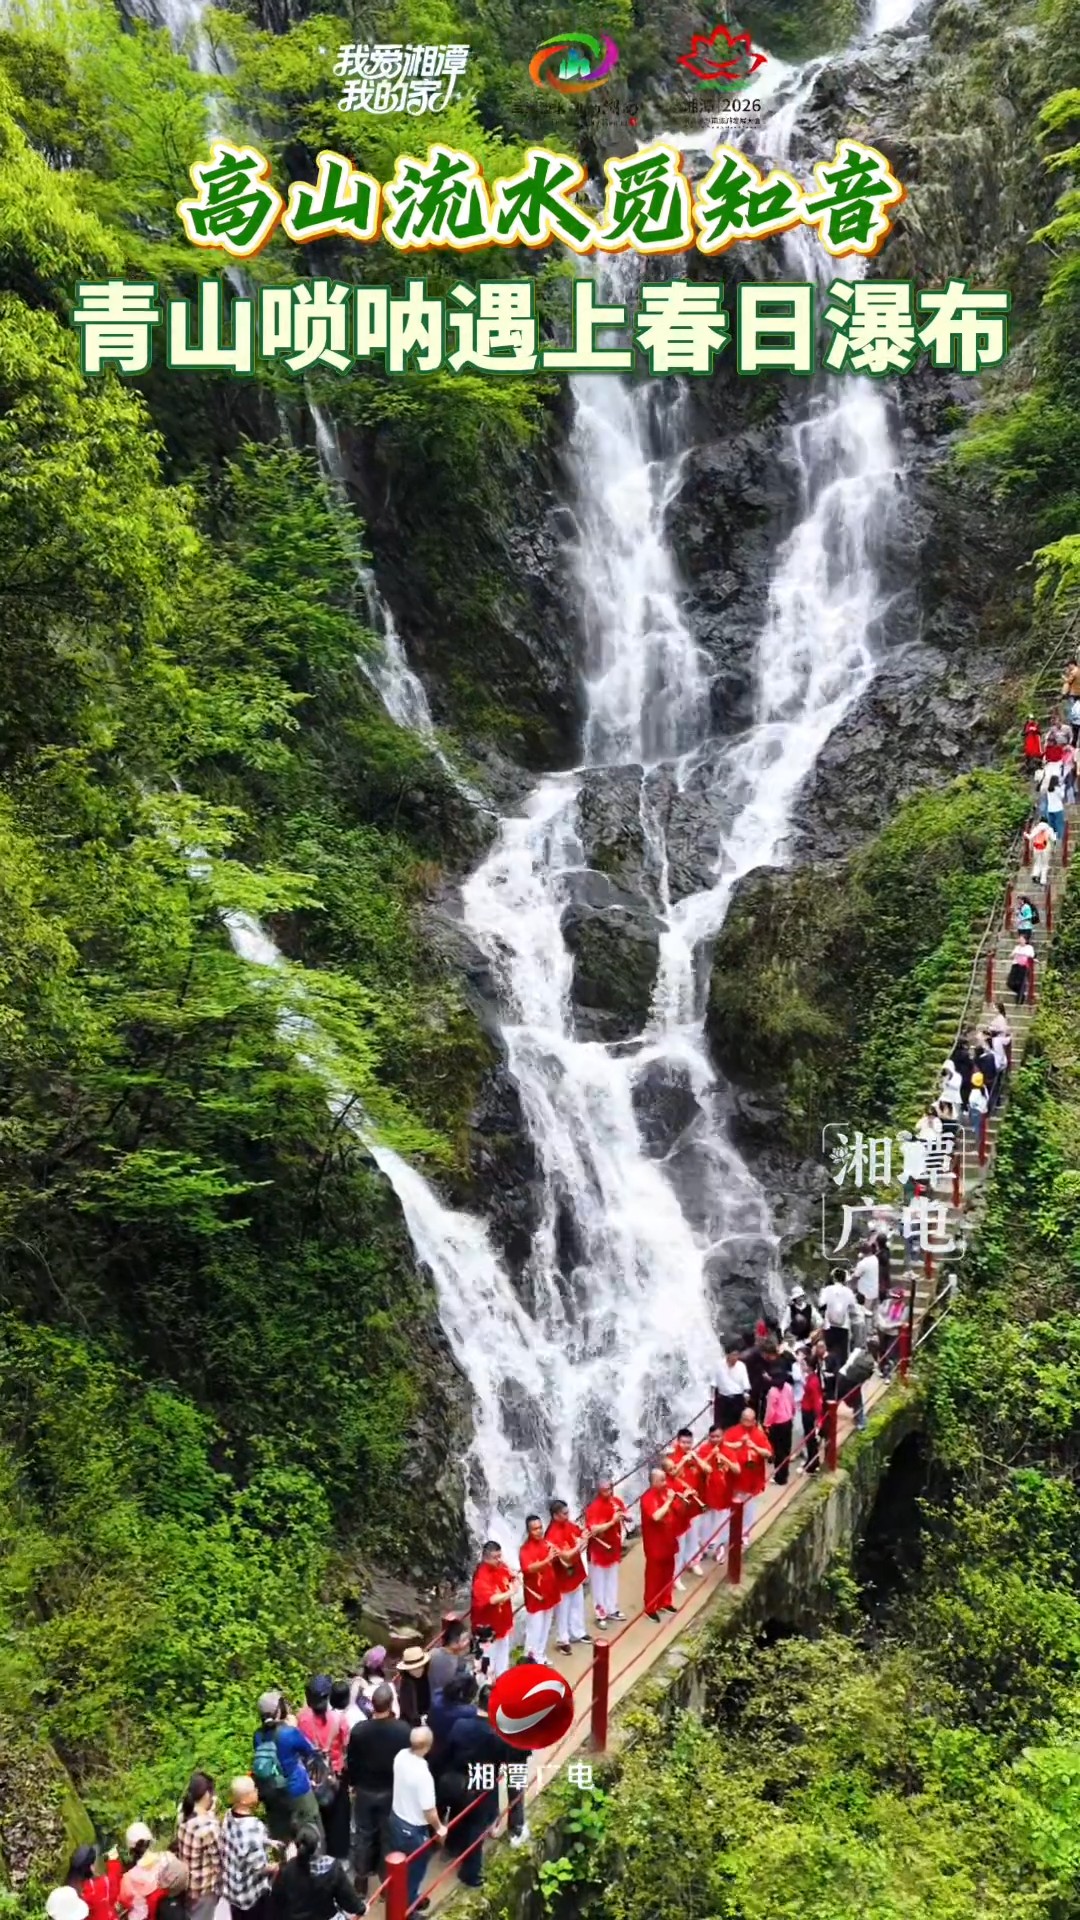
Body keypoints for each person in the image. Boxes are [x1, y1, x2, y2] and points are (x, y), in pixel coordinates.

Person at [346, 1681, 410, 1890]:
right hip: (391, 1790)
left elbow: (352, 1761)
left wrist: (353, 1783)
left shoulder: (359, 1731)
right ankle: (386, 1881)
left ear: (372, 1705)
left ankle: (361, 1879)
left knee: (363, 1835)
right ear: (391, 1703)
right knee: (387, 1836)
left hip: (365, 1790)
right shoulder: (402, 1730)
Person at [387, 1729, 446, 1915]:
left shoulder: (400, 1756)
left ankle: (405, 1899)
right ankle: (408, 1908)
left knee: (400, 1864)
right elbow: (429, 1810)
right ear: (428, 1746)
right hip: (413, 1829)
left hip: (396, 1818)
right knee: (415, 1870)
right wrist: (439, 1828)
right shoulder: (423, 1775)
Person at [252, 1692, 323, 1844]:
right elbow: (310, 1751)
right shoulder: (289, 1732)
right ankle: (315, 1863)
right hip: (297, 1791)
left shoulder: (258, 1736)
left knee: (283, 1839)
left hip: (272, 1794)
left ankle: (287, 1864)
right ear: (278, 1710)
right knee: (311, 1831)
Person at [270, 1824, 365, 1920]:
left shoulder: (286, 1870)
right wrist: (361, 1909)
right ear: (318, 1845)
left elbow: (277, 1901)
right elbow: (348, 1899)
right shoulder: (331, 1867)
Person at [221, 1777, 273, 1920]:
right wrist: (279, 1866)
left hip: (234, 1890)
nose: (257, 1791)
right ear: (244, 1800)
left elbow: (243, 1844)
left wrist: (268, 1842)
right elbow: (260, 1867)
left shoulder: (228, 1816)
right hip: (251, 1895)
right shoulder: (253, 1827)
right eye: (253, 1790)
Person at [545, 1500, 592, 1653]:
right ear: (555, 1515)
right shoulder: (551, 1535)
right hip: (562, 1577)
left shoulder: (569, 1525)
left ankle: (578, 1632)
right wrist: (579, 1545)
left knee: (577, 1604)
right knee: (563, 1610)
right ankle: (562, 1639)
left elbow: (580, 1533)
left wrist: (584, 1535)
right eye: (564, 1514)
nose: (568, 1516)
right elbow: (564, 1556)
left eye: (567, 1512)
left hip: (575, 1572)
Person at [723, 1407, 772, 1545]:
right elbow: (722, 1445)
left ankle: (745, 1533)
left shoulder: (758, 1434)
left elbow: (768, 1453)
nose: (747, 1423)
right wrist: (737, 1445)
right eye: (744, 1420)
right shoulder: (733, 1432)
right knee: (732, 1506)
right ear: (741, 1419)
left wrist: (754, 1447)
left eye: (750, 1421)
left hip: (752, 1478)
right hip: (735, 1477)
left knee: (749, 1507)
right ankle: (730, 1534)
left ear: (754, 1421)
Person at [175, 1773, 221, 1920]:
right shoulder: (209, 1826)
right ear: (208, 1794)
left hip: (187, 1886)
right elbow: (218, 1861)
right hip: (204, 1890)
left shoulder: (183, 1815)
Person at [584, 1476, 628, 1625]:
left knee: (612, 1580)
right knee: (598, 1584)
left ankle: (612, 1609)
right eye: (604, 1490)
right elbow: (593, 1529)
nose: (608, 1493)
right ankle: (600, 1614)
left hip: (613, 1549)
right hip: (598, 1552)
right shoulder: (593, 1508)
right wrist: (612, 1522)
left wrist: (624, 1517)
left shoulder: (617, 1502)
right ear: (599, 1491)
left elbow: (626, 1515)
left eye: (609, 1489)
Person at [470, 1540, 516, 1679]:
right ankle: (486, 1692)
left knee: (503, 1657)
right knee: (486, 1664)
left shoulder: (500, 1567)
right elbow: (492, 1599)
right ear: (485, 1558)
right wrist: (511, 1592)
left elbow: (510, 1575)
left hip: (502, 1623)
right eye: (495, 1557)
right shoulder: (481, 1577)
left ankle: (503, 1682)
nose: (499, 1560)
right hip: (486, 1630)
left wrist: (514, 1578)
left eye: (499, 1556)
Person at [519, 1514, 559, 1661]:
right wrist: (547, 1559)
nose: (539, 1531)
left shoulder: (546, 1544)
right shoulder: (525, 1550)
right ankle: (530, 1658)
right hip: (535, 1595)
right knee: (534, 1629)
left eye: (540, 1527)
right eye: (535, 1529)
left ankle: (540, 1654)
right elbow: (528, 1568)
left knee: (546, 1625)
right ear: (529, 1531)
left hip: (549, 1591)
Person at [640, 1467, 679, 1619]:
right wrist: (669, 1501)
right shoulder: (647, 1498)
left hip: (669, 1540)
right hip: (655, 1545)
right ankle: (650, 1608)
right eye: (662, 1480)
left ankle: (665, 1601)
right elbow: (656, 1516)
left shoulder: (665, 1492)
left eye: (665, 1479)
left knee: (668, 1574)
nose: (665, 1483)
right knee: (653, 1578)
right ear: (654, 1482)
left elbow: (676, 1510)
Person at [670, 1428, 708, 1578]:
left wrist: (696, 1459)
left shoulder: (695, 1456)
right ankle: (677, 1570)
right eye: (683, 1442)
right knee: (680, 1540)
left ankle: (694, 1561)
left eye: (689, 1442)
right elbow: (671, 1474)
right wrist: (683, 1461)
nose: (686, 1445)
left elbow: (707, 1469)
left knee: (693, 1536)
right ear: (677, 1442)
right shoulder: (671, 1458)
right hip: (680, 1506)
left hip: (695, 1504)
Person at [296, 1677, 347, 1777]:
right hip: (335, 1772)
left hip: (313, 1774)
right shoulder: (339, 1718)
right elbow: (346, 1745)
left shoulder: (302, 1718)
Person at [699, 1423, 733, 1560]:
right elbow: (699, 1468)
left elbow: (736, 1469)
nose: (715, 1439)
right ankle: (704, 1548)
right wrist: (710, 1455)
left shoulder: (728, 1451)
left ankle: (720, 1549)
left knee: (722, 1523)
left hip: (723, 1492)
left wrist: (724, 1459)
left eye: (718, 1436)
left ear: (722, 1436)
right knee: (706, 1522)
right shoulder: (703, 1449)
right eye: (712, 1436)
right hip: (707, 1492)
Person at [117, 1826, 165, 1920]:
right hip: (164, 1912)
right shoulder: (163, 1860)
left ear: (131, 1850)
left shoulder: (128, 1878)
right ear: (149, 1842)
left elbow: (124, 1901)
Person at [838, 1337, 880, 1432]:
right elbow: (866, 1379)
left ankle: (824, 1421)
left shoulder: (857, 1351)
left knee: (835, 1399)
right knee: (858, 1403)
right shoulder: (873, 1364)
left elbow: (848, 1363)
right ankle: (861, 1423)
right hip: (853, 1382)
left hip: (842, 1375)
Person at [67, 1847, 122, 1920]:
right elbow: (114, 1883)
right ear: (91, 1867)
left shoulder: (73, 1890)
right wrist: (113, 1861)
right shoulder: (101, 1884)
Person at [818, 1267, 857, 1364]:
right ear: (844, 1279)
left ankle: (829, 1372)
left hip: (829, 1326)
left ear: (834, 1278)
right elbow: (853, 1307)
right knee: (842, 1354)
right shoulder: (848, 1292)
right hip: (844, 1327)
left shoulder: (827, 1290)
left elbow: (821, 1304)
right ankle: (840, 1374)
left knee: (829, 1351)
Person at [764, 1370, 795, 1485]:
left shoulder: (772, 1391)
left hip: (777, 1424)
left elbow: (770, 1410)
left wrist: (767, 1423)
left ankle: (780, 1477)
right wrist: (792, 1413)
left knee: (778, 1451)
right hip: (788, 1420)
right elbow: (792, 1403)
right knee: (786, 1449)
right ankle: (785, 1474)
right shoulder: (788, 1387)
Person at [428, 1619, 471, 1698]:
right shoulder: (458, 1664)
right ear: (454, 1643)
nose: (468, 1641)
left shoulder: (432, 1653)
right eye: (464, 1640)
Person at [714, 1339, 752, 1428]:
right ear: (727, 1355)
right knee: (724, 1425)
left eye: (737, 1355)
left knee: (738, 1425)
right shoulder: (719, 1365)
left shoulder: (741, 1366)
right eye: (733, 1355)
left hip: (737, 1399)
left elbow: (745, 1383)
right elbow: (714, 1383)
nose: (736, 1357)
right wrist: (711, 1398)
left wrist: (746, 1394)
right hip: (724, 1399)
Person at [799, 1347, 824, 1473]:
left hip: (809, 1412)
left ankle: (813, 1463)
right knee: (809, 1438)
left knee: (810, 1438)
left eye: (804, 1364)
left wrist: (818, 1419)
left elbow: (817, 1401)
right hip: (806, 1409)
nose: (802, 1366)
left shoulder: (813, 1381)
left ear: (809, 1366)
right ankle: (811, 1461)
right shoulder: (811, 1378)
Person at [395, 1649, 431, 1730]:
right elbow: (408, 1711)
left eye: (421, 1667)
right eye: (414, 1668)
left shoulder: (427, 1676)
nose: (419, 1670)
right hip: (414, 1724)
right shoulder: (406, 1685)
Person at [851, 1240, 880, 1315]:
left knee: (864, 1313)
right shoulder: (875, 1258)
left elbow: (856, 1276)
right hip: (874, 1289)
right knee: (870, 1311)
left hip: (865, 1293)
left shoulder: (863, 1263)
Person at [1007, 933, 1036, 1004]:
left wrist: (1022, 954)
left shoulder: (1029, 948)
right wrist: (1014, 954)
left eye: (1022, 939)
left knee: (1020, 983)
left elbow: (1031, 956)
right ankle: (1020, 993)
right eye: (1020, 939)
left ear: (1025, 940)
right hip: (1015, 965)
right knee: (1010, 983)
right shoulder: (1017, 947)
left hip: (1023, 966)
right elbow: (1011, 955)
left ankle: (1020, 998)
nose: (1020, 940)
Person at [1029, 817, 1054, 886]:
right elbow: (1053, 839)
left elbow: (1031, 837)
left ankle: (1035, 874)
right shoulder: (1049, 829)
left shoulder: (1036, 828)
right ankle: (1043, 880)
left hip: (1036, 848)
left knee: (1037, 862)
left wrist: (1031, 847)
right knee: (1045, 864)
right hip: (1046, 848)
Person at [1047, 772, 1066, 841]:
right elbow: (1062, 796)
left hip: (1050, 809)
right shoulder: (1057, 789)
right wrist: (1062, 789)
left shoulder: (1048, 789)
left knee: (1052, 825)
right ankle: (1060, 839)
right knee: (1060, 824)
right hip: (1058, 808)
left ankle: (1053, 838)